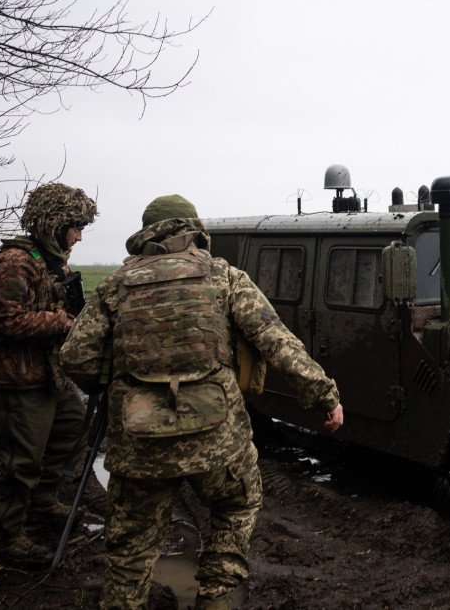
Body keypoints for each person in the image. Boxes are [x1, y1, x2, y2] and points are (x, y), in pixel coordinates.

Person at [60, 195, 343, 610]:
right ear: (192, 229)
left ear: (148, 233)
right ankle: (218, 597)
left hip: (141, 445)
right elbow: (277, 341)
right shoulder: (223, 277)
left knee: (130, 554)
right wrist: (324, 396)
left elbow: (75, 357)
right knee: (234, 508)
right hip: (217, 440)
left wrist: (123, 380)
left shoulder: (115, 286)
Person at [0, 182, 98, 566]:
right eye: (75, 227)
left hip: (49, 374)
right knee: (21, 460)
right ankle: (9, 536)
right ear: (54, 224)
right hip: (16, 379)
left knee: (72, 429)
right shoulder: (15, 263)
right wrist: (61, 322)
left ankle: (44, 501)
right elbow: (4, 320)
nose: (79, 236)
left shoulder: (50, 262)